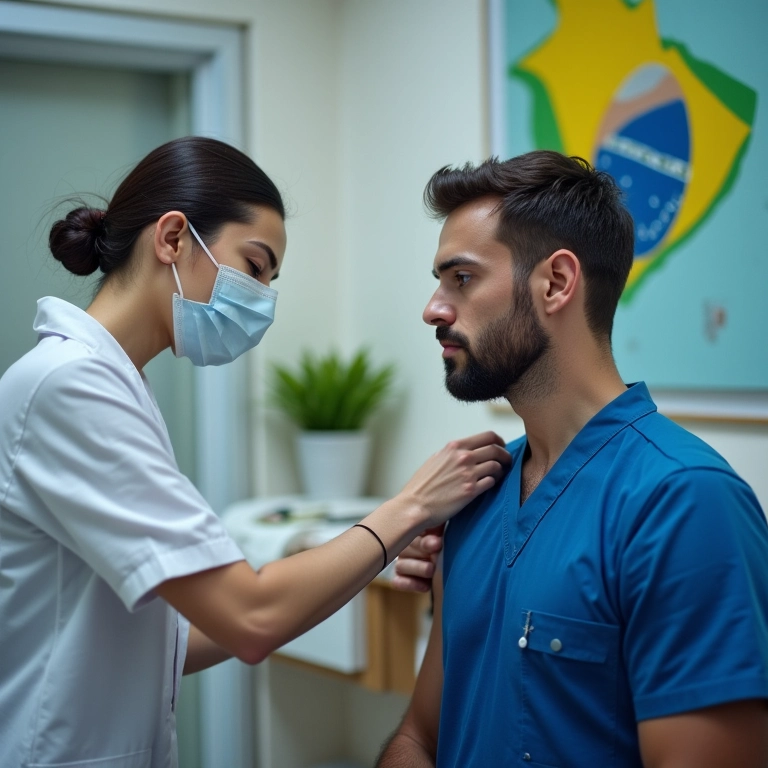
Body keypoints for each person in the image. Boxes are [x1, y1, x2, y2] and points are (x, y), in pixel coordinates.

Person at [0, 136, 512, 768]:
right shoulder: (70, 387)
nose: (263, 297)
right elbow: (250, 615)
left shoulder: (115, 384)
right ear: (172, 239)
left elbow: (174, 640)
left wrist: (373, 554)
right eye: (256, 265)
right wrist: (406, 508)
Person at [381, 150, 768, 767]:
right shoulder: (474, 494)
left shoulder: (685, 503)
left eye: (461, 279)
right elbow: (418, 737)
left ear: (556, 283)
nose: (433, 308)